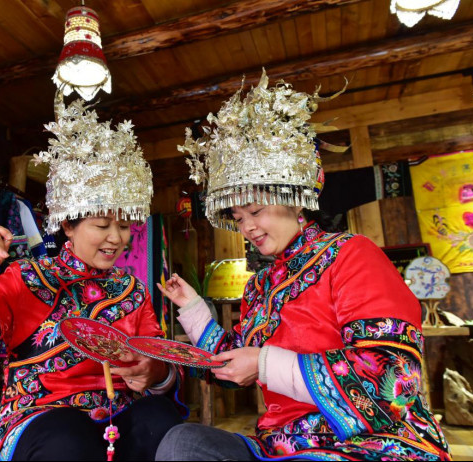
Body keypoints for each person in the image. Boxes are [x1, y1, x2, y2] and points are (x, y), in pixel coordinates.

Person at [155, 71, 451, 461]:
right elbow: (232, 361)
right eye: (239, 218)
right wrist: (191, 309)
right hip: (279, 444)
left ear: (295, 201)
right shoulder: (260, 286)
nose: (248, 228)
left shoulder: (351, 255)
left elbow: (389, 380)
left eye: (256, 211)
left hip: (363, 441)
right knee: (183, 443)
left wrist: (263, 363)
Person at [0, 97, 183, 461]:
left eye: (123, 226)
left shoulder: (132, 291)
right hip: (43, 414)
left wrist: (155, 371)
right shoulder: (28, 277)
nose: (117, 238)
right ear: (68, 225)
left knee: (163, 420)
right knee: (68, 438)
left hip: (120, 412)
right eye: (102, 225)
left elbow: (159, 357)